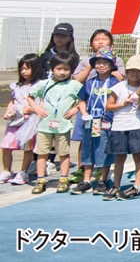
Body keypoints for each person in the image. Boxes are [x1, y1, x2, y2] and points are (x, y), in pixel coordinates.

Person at [26, 53, 83, 194]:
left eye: (66, 69)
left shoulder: (74, 85)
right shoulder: (44, 84)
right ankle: (40, 179)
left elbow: (83, 99)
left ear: (71, 70)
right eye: (59, 69)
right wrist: (37, 108)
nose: (62, 72)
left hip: (63, 125)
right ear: (52, 69)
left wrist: (75, 109)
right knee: (41, 153)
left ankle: (63, 179)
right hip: (44, 125)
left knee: (63, 153)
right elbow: (30, 97)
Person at [72, 48, 120, 196]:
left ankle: (103, 179)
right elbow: (82, 100)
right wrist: (84, 113)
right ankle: (87, 180)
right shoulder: (89, 83)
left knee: (103, 149)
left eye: (105, 62)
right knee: (88, 149)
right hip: (90, 121)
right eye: (98, 62)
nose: (100, 65)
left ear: (112, 65)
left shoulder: (115, 82)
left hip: (107, 121)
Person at [104, 55, 140, 200]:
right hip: (119, 126)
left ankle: (137, 186)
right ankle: (116, 185)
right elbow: (109, 106)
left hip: (138, 125)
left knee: (138, 156)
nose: (135, 74)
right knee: (119, 158)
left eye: (139, 71)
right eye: (132, 70)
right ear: (126, 70)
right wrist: (123, 104)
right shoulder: (118, 87)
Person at [2, 54, 42, 186]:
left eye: (27, 68)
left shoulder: (39, 85)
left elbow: (41, 104)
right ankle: (6, 170)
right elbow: (12, 101)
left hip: (29, 121)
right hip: (15, 120)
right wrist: (8, 112)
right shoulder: (16, 86)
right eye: (22, 69)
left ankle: (23, 171)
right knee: (6, 146)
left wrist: (30, 110)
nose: (23, 71)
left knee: (27, 147)